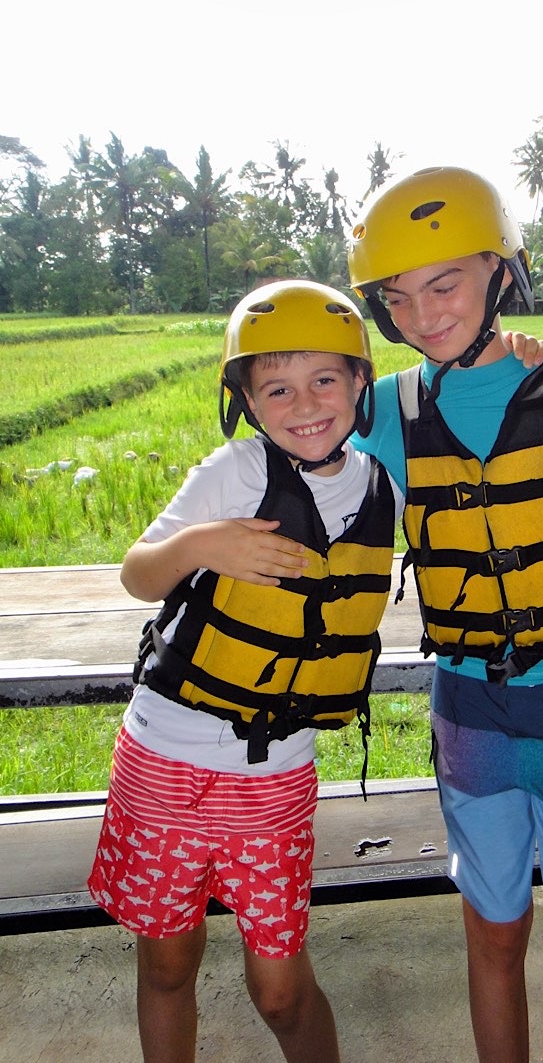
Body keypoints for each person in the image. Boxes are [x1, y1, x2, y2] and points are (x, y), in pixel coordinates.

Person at [346, 166, 543, 1063]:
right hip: (469, 723)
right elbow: (280, 419)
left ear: (500, 273)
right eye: (398, 299)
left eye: (444, 283)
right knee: (491, 940)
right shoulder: (383, 412)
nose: (423, 316)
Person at [88, 279, 405, 1063]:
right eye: (277, 388)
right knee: (167, 964)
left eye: (325, 379)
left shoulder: (379, 486)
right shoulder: (234, 470)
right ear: (249, 402)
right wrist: (202, 546)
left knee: (281, 989)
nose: (305, 403)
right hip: (166, 759)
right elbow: (138, 574)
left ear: (361, 381)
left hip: (276, 775)